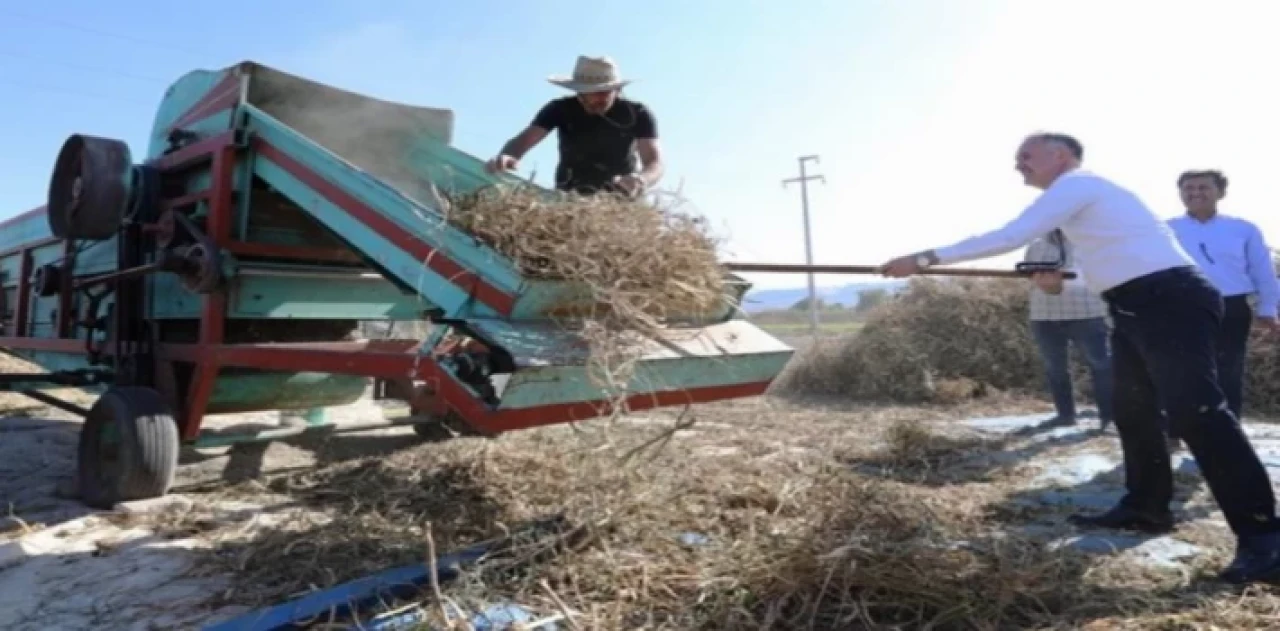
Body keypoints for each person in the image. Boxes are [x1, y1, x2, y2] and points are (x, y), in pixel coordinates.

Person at [878, 132, 1280, 585]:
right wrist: (1059, 285)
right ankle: (1145, 507)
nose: (1019, 166)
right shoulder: (1086, 208)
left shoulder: (1078, 184)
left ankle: (1265, 540)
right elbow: (1106, 272)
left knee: (1198, 414)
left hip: (1171, 298)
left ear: (1061, 156)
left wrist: (926, 258)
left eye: (1026, 157)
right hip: (1135, 304)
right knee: (1133, 410)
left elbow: (1012, 235)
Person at [1166, 169, 1279, 424]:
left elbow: (1262, 270)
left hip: (1231, 306)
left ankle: (1229, 428)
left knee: (1228, 370)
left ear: (1220, 192)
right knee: (1181, 370)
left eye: (1203, 187)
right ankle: (1177, 429)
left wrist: (1268, 309)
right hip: (1183, 308)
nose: (1196, 193)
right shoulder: (1167, 229)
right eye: (1189, 189)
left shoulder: (1242, 229)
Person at [485, 55, 664, 198]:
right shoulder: (559, 109)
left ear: (617, 90)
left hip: (618, 206)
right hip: (568, 200)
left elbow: (654, 162)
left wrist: (641, 180)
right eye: (587, 93)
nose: (594, 100)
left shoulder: (638, 114)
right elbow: (524, 140)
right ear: (577, 90)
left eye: (602, 93)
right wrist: (509, 155)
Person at [1021, 229, 1114, 432]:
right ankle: (1065, 416)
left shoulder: (1091, 241)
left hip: (1087, 313)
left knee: (1101, 366)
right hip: (1043, 315)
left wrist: (1060, 283)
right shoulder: (1035, 245)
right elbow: (1030, 277)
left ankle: (1109, 418)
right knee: (1054, 368)